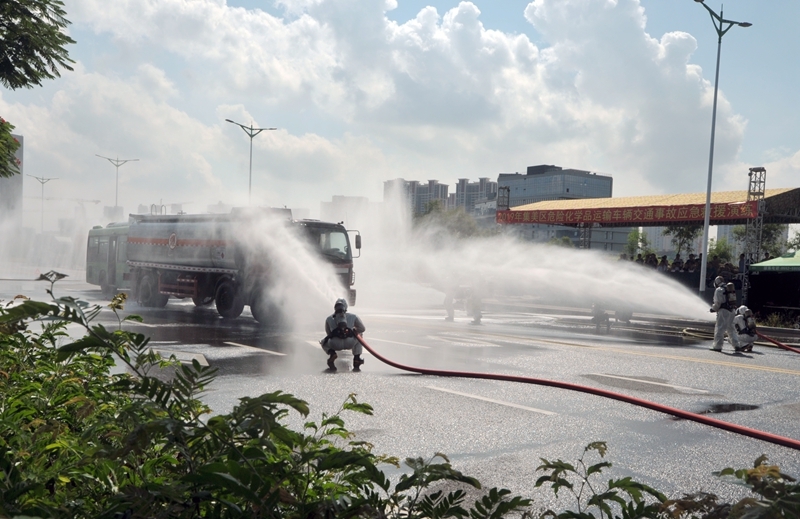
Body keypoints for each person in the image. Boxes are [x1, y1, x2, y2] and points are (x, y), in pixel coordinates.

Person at [320, 298, 366, 371]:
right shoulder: (353, 316)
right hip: (350, 342)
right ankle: (357, 359)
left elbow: (328, 333)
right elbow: (362, 328)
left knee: (323, 341)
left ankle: (332, 354)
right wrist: (353, 331)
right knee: (359, 335)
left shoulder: (329, 318)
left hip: (335, 344)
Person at [710, 276, 741, 352]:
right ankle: (737, 345)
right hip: (732, 311)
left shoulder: (719, 290)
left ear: (716, 283)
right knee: (731, 328)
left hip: (724, 311)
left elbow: (717, 303)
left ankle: (717, 346)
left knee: (720, 328)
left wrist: (713, 309)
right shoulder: (729, 288)